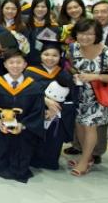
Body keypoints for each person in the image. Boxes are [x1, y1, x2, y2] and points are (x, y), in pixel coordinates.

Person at [67, 20, 108, 176]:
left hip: (99, 97)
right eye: (82, 33)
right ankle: (86, 156)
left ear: (97, 35)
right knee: (79, 125)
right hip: (79, 95)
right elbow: (71, 66)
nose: (85, 37)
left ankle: (84, 162)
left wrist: (95, 76)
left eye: (90, 34)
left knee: (89, 127)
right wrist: (75, 75)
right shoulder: (74, 49)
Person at [0, 50, 44, 183]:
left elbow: (37, 111)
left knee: (21, 163)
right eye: (11, 62)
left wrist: (23, 125)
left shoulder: (34, 86)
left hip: (23, 132)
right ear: (5, 64)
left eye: (19, 62)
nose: (15, 66)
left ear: (25, 64)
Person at [26, 42, 75, 170]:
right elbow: (25, 94)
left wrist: (57, 111)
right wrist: (44, 101)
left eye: (55, 55)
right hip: (35, 113)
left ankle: (49, 161)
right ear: (40, 55)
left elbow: (71, 98)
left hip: (57, 116)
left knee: (53, 140)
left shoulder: (65, 75)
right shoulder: (30, 72)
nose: (50, 58)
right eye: (46, 54)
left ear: (60, 57)